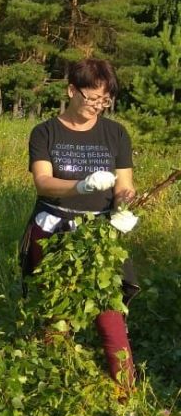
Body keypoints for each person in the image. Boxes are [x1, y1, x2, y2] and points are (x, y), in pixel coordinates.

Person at [21, 58, 139, 387]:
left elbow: (125, 185)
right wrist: (81, 186)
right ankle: (56, 389)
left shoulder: (115, 133)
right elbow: (43, 182)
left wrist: (123, 206)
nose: (98, 106)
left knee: (111, 318)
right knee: (57, 317)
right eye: (92, 98)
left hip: (99, 237)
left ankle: (127, 395)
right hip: (54, 233)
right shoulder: (46, 132)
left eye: (105, 99)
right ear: (72, 90)